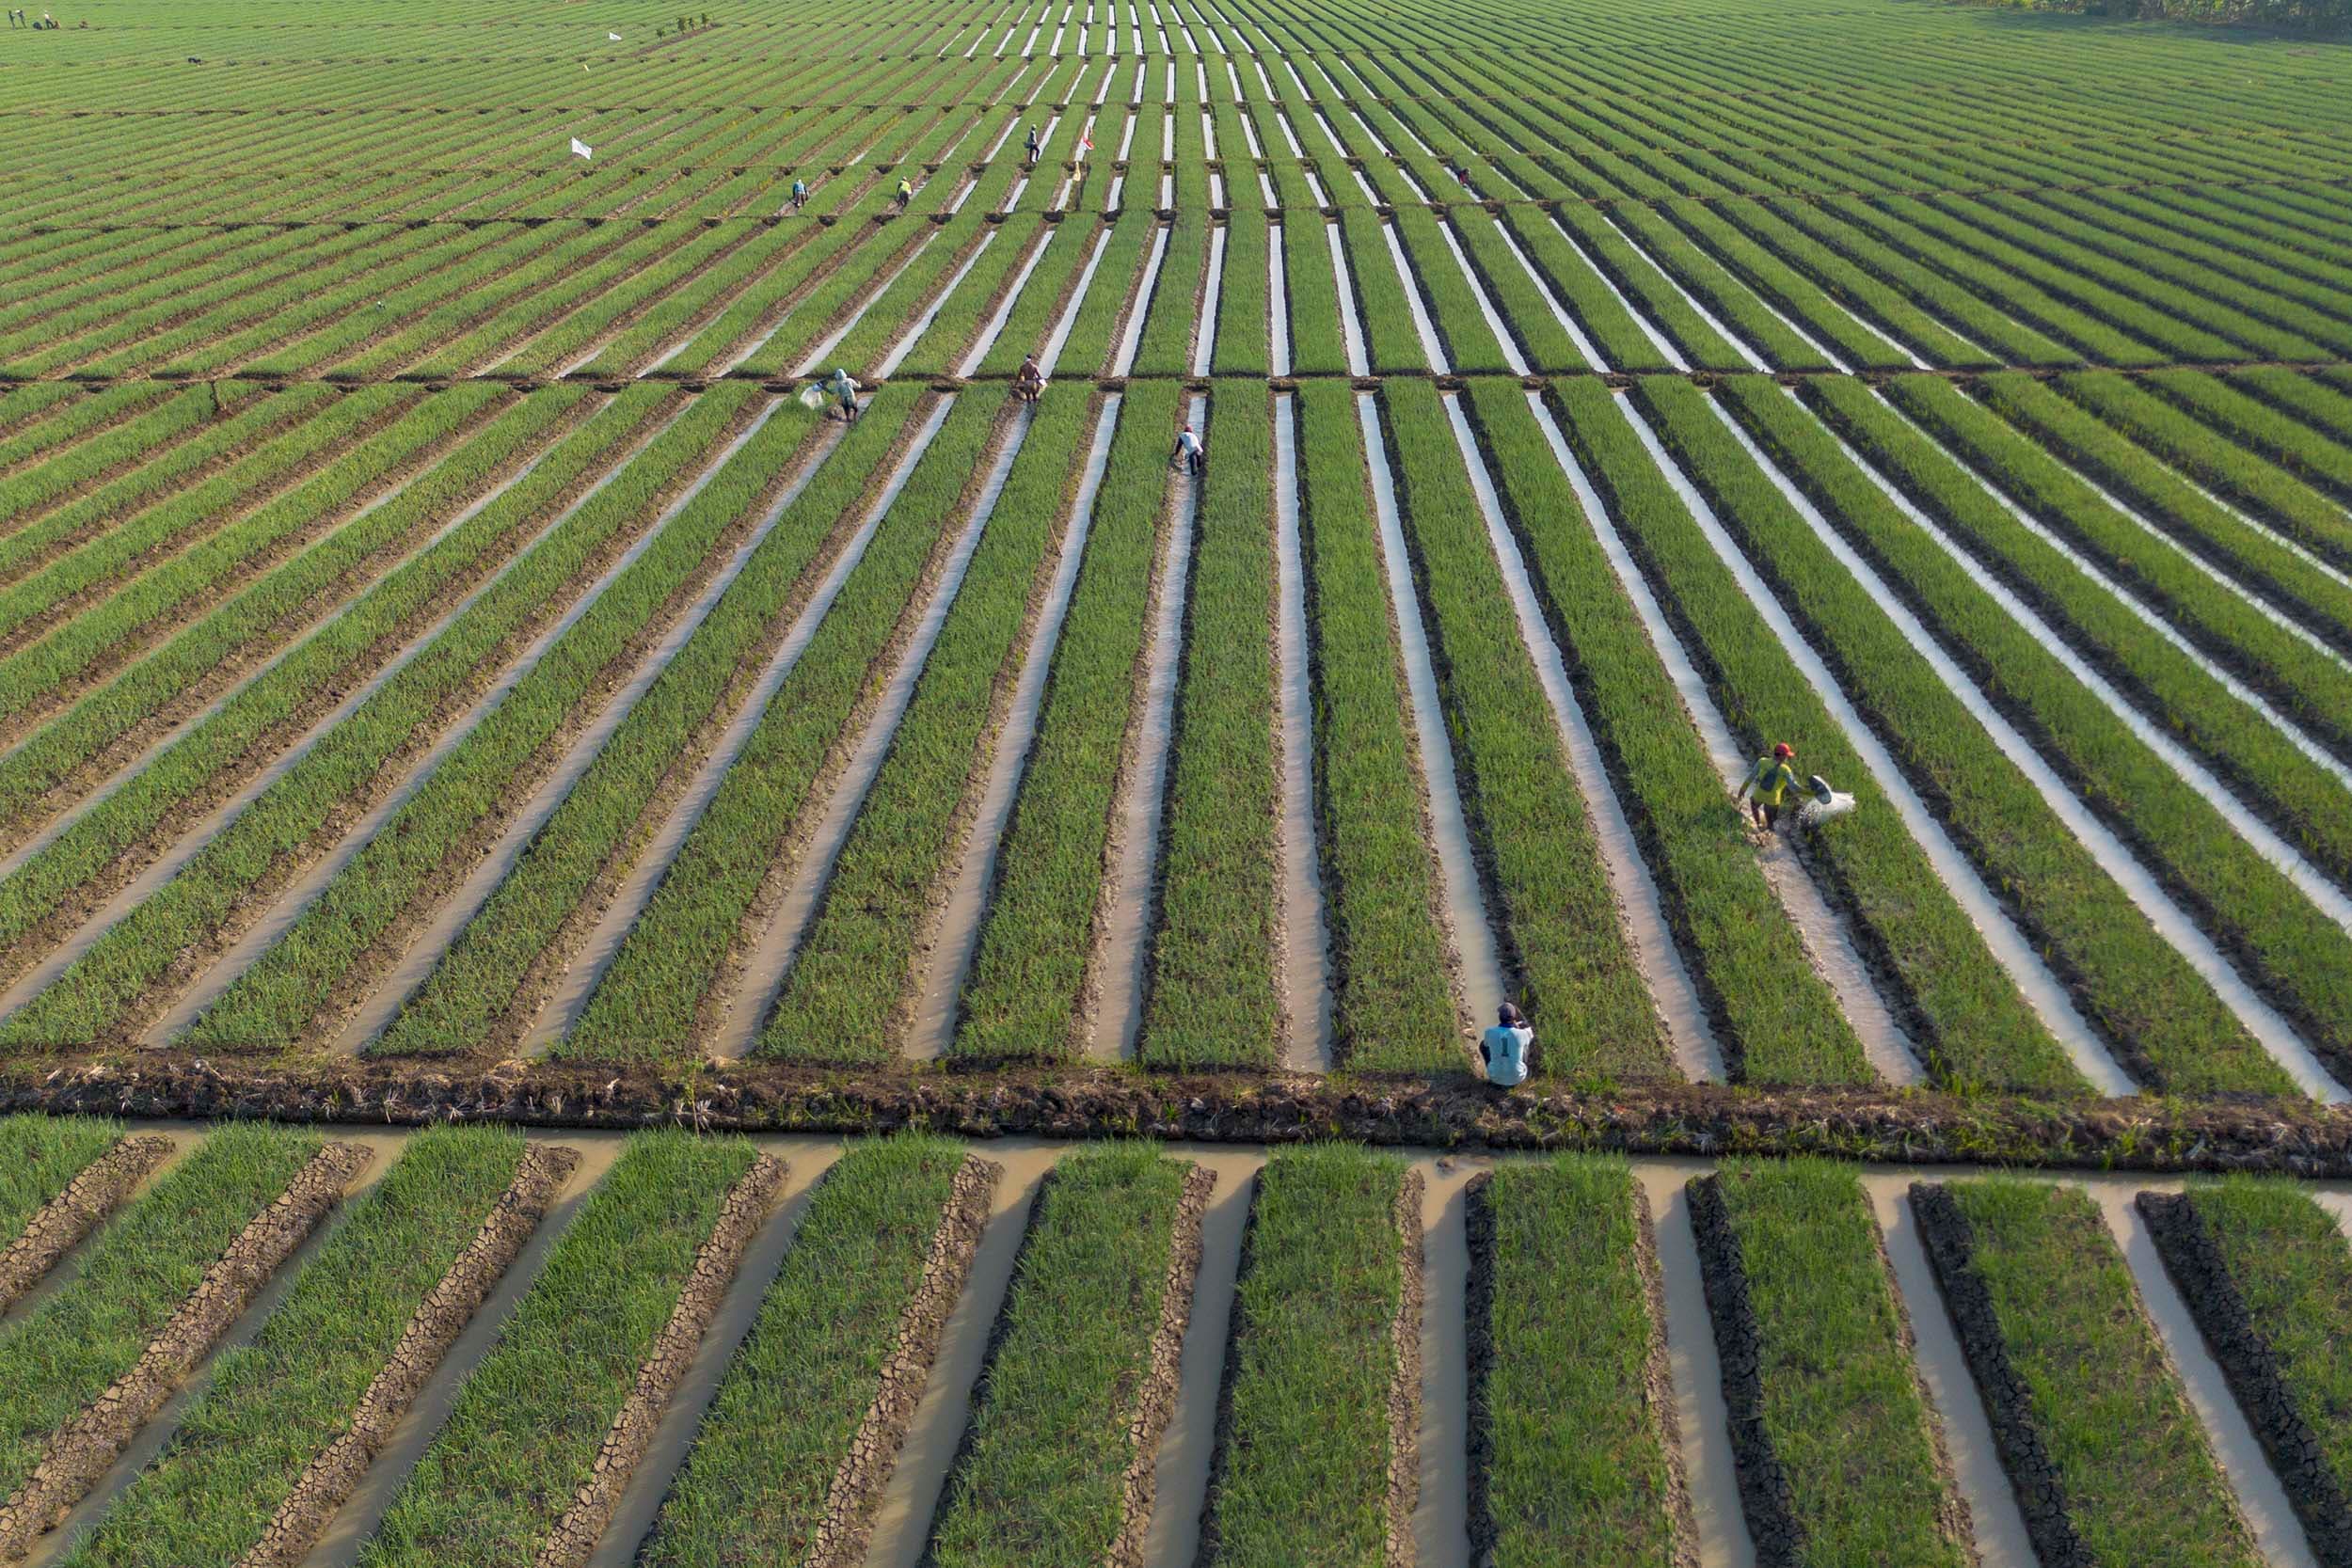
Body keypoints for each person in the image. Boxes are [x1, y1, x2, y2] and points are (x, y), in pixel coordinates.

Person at [1740, 741, 1800, 831]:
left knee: (1753, 804)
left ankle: (1758, 824)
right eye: (1786, 756)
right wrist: (1811, 792)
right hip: (1773, 800)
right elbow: (1793, 786)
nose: (1787, 758)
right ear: (1781, 756)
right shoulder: (1786, 770)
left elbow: (1751, 776)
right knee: (1771, 822)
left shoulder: (1762, 761)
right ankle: (1771, 833)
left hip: (1759, 794)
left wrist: (1742, 789)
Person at [1480, 1003, 1533, 1087]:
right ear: (1514, 1018)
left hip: (1495, 1078)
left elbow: (1486, 1045)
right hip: (1517, 1078)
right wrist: (1518, 1028)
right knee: (1525, 1045)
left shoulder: (1489, 1031)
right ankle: (1521, 1066)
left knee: (1483, 1045)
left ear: (1499, 1017)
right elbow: (1529, 1029)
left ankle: (1493, 1068)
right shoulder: (1523, 1034)